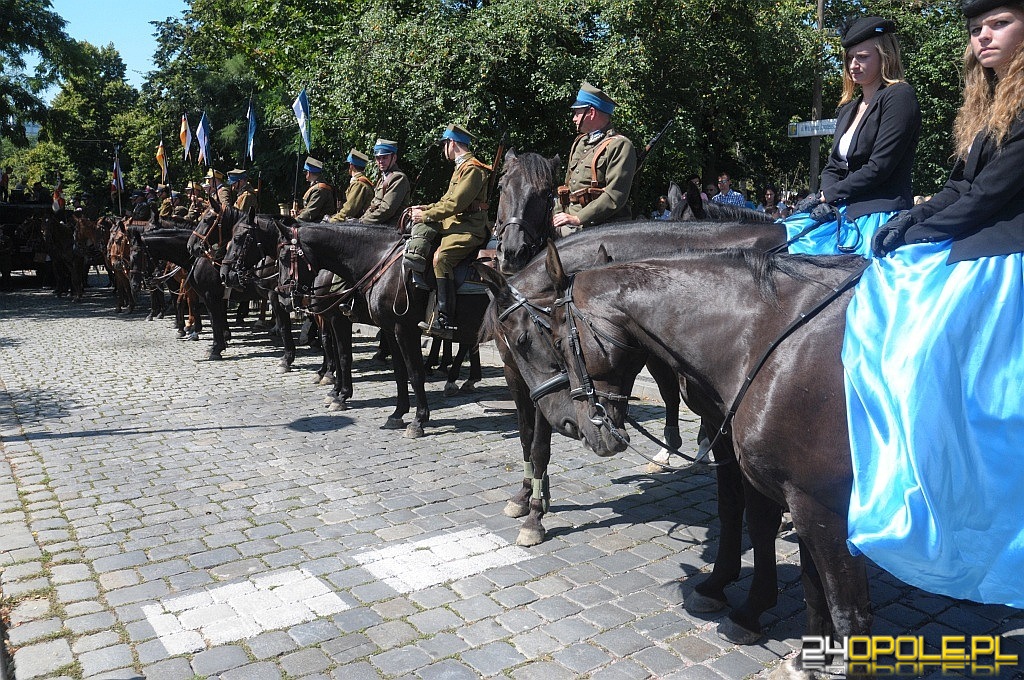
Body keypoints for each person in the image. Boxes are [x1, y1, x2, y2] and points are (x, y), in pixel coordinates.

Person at [843, 0, 1024, 607]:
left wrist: (923, 233)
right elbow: (960, 185)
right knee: (889, 273)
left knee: (922, 340)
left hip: (1010, 251)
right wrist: (915, 218)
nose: (983, 36)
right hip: (981, 237)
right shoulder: (984, 104)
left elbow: (994, 194)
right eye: (976, 29)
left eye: (997, 23)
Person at [787, 15, 920, 257]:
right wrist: (825, 200)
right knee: (782, 239)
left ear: (885, 56)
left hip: (878, 213)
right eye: (850, 58)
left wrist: (827, 195)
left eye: (863, 57)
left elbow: (879, 168)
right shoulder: (847, 109)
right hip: (841, 209)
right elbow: (833, 167)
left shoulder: (900, 96)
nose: (853, 65)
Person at [405, 124, 491, 339]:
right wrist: (426, 208)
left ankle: (446, 320)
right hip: (454, 225)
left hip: (469, 229)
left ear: (452, 143)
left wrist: (425, 216)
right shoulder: (461, 168)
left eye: (444, 144)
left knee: (440, 258)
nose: (444, 149)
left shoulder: (473, 169)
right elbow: (446, 201)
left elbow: (455, 204)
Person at [553, 81, 636, 236]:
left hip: (600, 225)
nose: (574, 119)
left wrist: (578, 218)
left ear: (591, 112)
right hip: (570, 221)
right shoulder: (580, 142)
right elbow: (567, 187)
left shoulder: (620, 145)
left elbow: (614, 196)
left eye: (577, 113)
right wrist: (556, 215)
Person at [361, 138, 411, 225]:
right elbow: (373, 205)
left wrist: (363, 222)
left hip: (391, 228)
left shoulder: (398, 178)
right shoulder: (384, 177)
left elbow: (387, 209)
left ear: (394, 158)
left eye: (384, 157)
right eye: (378, 158)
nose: (381, 161)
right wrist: (362, 219)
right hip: (380, 225)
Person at [329, 149, 373, 222]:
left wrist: (332, 220)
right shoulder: (359, 182)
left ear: (351, 166)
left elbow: (349, 210)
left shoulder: (359, 184)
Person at [292, 157, 335, 222]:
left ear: (308, 173)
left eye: (305, 172)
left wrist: (294, 221)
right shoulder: (317, 187)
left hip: (320, 225)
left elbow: (310, 213)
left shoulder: (319, 189)